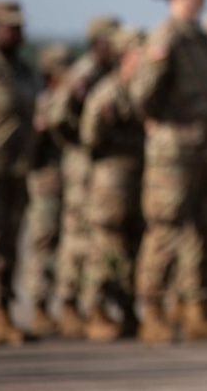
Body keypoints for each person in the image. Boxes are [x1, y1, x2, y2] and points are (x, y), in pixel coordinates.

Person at [130, 0, 207, 343]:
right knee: (165, 230)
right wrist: (166, 127)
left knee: (202, 230)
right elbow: (143, 95)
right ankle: (151, 310)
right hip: (173, 153)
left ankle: (194, 308)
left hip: (204, 149)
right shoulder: (165, 38)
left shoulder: (199, 38)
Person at [46, 15, 120, 337]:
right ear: (98, 43)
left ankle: (86, 304)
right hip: (82, 166)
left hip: (97, 165)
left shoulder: (108, 72)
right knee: (77, 236)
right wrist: (76, 144)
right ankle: (69, 303)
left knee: (93, 237)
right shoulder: (85, 72)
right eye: (111, 40)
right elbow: (58, 115)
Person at [79, 28, 147, 341]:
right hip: (110, 180)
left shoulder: (141, 91)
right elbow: (90, 136)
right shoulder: (109, 92)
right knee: (105, 247)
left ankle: (126, 310)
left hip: (136, 177)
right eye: (138, 54)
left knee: (130, 247)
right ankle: (95, 311)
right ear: (126, 57)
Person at [0, 1, 38, 346]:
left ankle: (1, 308)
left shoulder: (22, 70)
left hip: (16, 169)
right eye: (10, 26)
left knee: (9, 243)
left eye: (20, 26)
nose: (18, 33)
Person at [24, 42, 73, 337]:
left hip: (66, 180)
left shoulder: (63, 100)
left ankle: (66, 304)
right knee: (43, 243)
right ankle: (40, 306)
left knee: (66, 245)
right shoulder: (38, 102)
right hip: (43, 184)